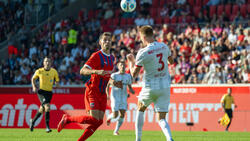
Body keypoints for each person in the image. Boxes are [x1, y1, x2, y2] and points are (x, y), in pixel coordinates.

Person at [57, 32, 123, 141]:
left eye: (109, 40)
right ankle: (68, 119)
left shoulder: (112, 58)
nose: (107, 42)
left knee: (99, 122)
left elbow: (106, 76)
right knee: (93, 119)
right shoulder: (96, 55)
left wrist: (113, 82)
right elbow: (82, 71)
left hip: (102, 93)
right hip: (93, 90)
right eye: (104, 40)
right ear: (100, 43)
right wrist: (96, 71)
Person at [126, 25, 174, 141]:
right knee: (161, 118)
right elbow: (171, 61)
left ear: (143, 37)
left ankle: (138, 139)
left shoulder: (143, 52)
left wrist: (131, 62)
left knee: (140, 109)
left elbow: (134, 75)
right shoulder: (163, 46)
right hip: (164, 86)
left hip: (150, 87)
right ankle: (169, 138)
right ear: (152, 34)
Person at [30, 57, 59, 133]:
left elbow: (57, 81)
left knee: (42, 109)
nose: (47, 63)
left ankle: (32, 121)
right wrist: (33, 86)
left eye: (49, 61)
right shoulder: (39, 71)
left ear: (51, 63)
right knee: (47, 107)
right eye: (46, 61)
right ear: (43, 63)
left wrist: (57, 84)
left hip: (49, 93)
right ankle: (47, 127)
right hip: (41, 92)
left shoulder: (54, 71)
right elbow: (33, 79)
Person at [106, 60, 135, 135]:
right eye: (121, 65)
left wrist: (132, 91)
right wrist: (107, 94)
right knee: (115, 115)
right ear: (118, 67)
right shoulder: (114, 75)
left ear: (125, 66)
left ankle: (116, 131)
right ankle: (109, 117)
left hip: (123, 97)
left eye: (123, 65)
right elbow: (108, 85)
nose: (122, 67)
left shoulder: (128, 76)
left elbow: (129, 87)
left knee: (122, 114)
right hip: (115, 97)